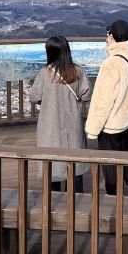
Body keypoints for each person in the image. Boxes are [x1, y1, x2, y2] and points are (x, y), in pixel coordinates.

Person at [84, 20, 128, 197]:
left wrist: (92, 130)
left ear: (111, 37)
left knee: (110, 162)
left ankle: (114, 194)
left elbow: (102, 101)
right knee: (126, 152)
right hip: (126, 117)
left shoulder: (111, 63)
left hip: (111, 123)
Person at [29, 36, 92, 192]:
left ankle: (54, 200)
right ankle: (75, 199)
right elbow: (86, 95)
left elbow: (34, 97)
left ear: (50, 52)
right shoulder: (77, 71)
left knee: (52, 165)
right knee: (75, 163)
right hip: (73, 124)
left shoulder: (45, 73)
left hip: (50, 125)